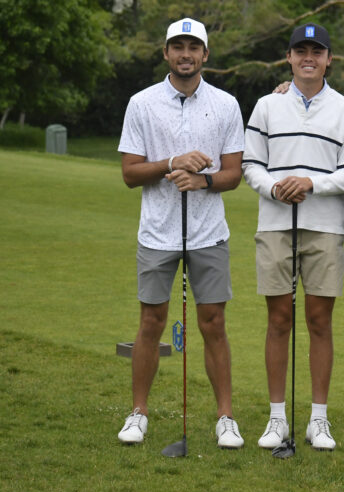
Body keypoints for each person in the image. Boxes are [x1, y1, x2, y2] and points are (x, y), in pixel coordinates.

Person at [117, 18, 245, 449]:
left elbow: (233, 174)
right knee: (151, 321)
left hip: (209, 233)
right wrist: (173, 162)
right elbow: (130, 173)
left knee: (213, 323)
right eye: (178, 46)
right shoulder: (142, 103)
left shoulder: (226, 104)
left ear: (205, 54)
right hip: (157, 233)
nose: (185, 54)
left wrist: (202, 180)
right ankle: (138, 412)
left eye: (193, 47)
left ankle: (225, 417)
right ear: (166, 53)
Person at [242, 23, 344, 451]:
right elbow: (251, 164)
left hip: (325, 226)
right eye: (301, 51)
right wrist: (275, 187)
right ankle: (277, 418)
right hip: (275, 224)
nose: (308, 58)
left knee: (319, 320)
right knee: (278, 319)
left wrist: (310, 183)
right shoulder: (266, 106)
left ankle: (318, 420)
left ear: (329, 59)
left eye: (317, 51)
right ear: (289, 58)